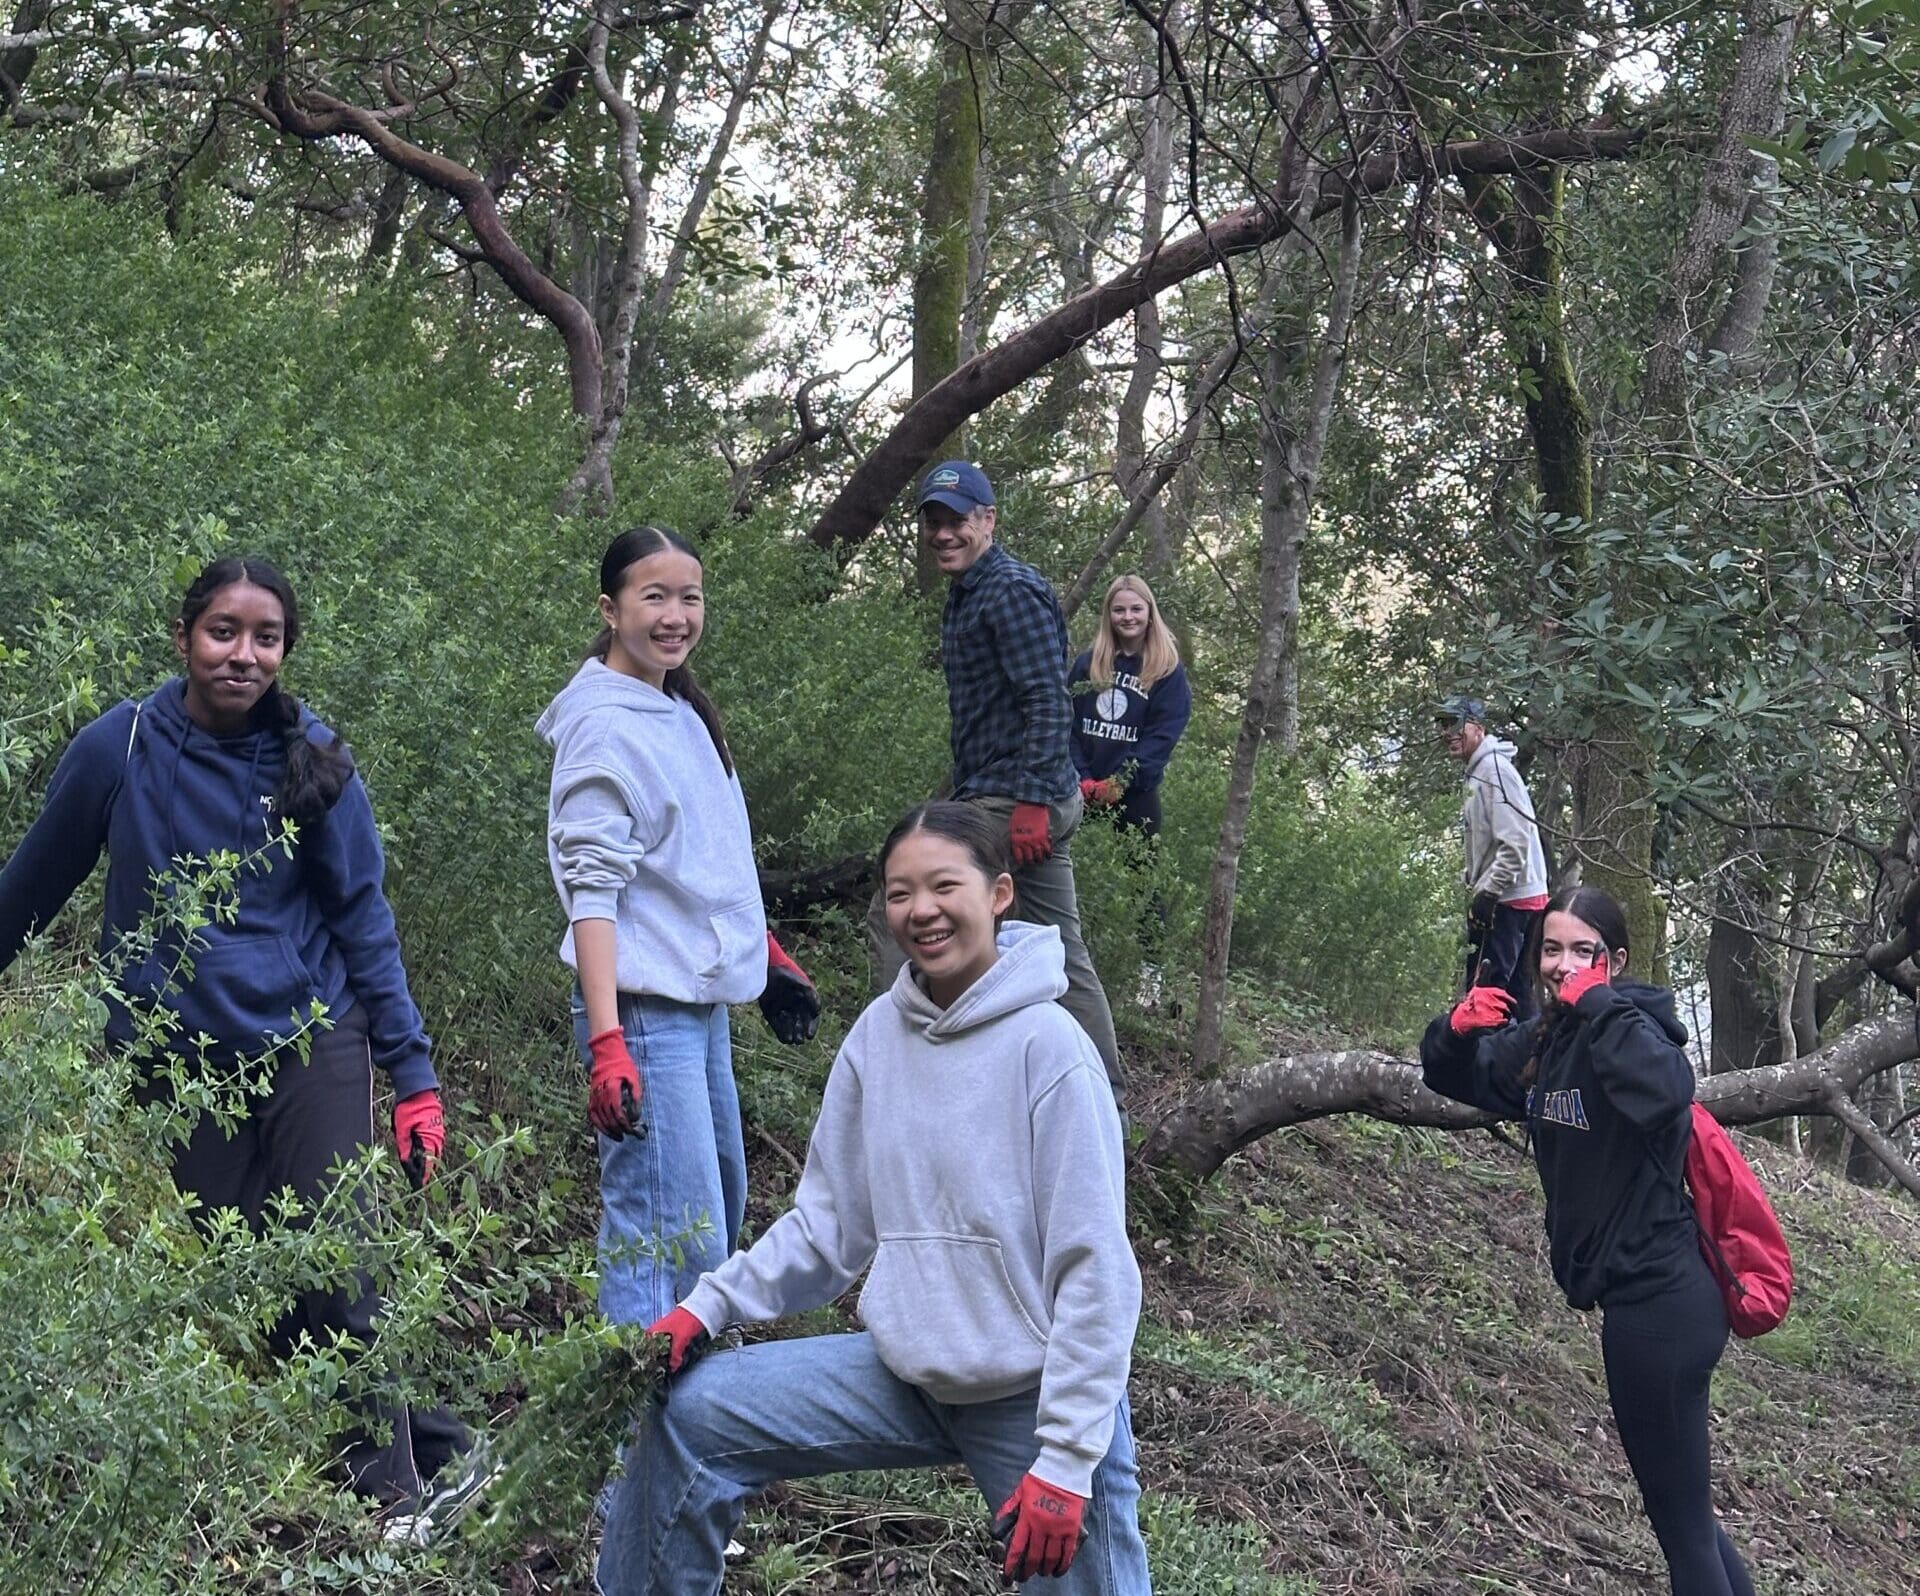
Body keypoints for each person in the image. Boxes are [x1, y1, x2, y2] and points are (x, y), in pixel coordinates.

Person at [0, 556, 471, 1520]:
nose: (243, 655)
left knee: (331, 1262)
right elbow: (31, 887)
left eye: (266, 638)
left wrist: (412, 1076)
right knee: (256, 1271)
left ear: (285, 651)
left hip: (310, 1042)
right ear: (183, 638)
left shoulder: (317, 760)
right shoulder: (118, 747)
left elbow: (365, 922)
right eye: (223, 633)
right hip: (172, 1060)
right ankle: (440, 1448)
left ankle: (392, 1501)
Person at [599, 802, 1149, 1596]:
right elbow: (828, 1228)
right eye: (899, 892)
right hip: (905, 1371)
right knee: (692, 1417)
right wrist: (706, 1306)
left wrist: (1066, 1463)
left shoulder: (1052, 1050)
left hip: (1033, 1397)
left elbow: (1097, 1270)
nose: (920, 910)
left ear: (999, 894)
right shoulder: (877, 1038)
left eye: (942, 886)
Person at [1420, 886, 1754, 1596]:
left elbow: (1668, 1090)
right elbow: (1459, 1074)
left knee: (1684, 1534)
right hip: (1638, 1300)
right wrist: (1454, 1029)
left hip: (1662, 1302)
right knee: (1690, 1521)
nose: (1562, 964)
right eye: (1551, 948)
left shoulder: (1631, 1028)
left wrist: (1600, 1001)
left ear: (1616, 960)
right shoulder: (1550, 1042)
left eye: (1583, 950)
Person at [537, 526, 819, 1329]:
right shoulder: (604, 725)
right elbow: (592, 895)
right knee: (664, 1241)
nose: (674, 615)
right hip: (640, 1016)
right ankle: (627, 1447)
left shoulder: (680, 707)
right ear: (610, 606)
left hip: (699, 1014)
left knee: (713, 1225)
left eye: (688, 597)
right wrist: (606, 1044)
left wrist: (760, 953)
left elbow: (698, 862)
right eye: (653, 596)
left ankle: (676, 1433)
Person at [868, 460, 1121, 1099]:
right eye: (934, 521)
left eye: (957, 520)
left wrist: (1032, 802)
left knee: (894, 906)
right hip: (1003, 790)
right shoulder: (969, 591)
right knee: (1060, 947)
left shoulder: (1009, 589)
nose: (943, 533)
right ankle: (1104, 1100)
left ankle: (901, 1068)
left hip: (1016, 795)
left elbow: (1047, 699)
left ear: (988, 519)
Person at [1069, 575, 1192, 1004]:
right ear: (1109, 614)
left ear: (1149, 612)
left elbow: (1163, 736)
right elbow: (1065, 723)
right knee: (1056, 866)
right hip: (1082, 789)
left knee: (1143, 883)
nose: (1128, 617)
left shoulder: (1166, 671)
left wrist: (1122, 780)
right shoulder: (1088, 664)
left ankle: (1149, 982)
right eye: (1119, 610)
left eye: (1135, 609)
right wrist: (1082, 777)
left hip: (1133, 794)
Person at [1436, 695, 1548, 1021]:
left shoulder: (1494, 770)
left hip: (1509, 902)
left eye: (1455, 723)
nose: (1447, 732)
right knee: (1516, 996)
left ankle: (1484, 1066)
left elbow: (1516, 840)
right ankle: (1531, 1065)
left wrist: (1489, 892)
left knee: (1485, 994)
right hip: (1515, 898)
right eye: (1443, 725)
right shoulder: (1481, 770)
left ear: (1478, 728)